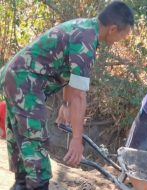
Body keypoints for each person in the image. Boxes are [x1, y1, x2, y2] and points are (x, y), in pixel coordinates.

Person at [0, 1, 134, 189]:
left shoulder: (84, 28)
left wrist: (65, 104)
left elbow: (70, 77)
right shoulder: (86, 41)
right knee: (35, 147)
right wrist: (77, 140)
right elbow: (79, 94)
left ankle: (21, 184)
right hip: (25, 83)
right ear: (113, 29)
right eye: (123, 35)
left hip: (16, 77)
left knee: (23, 146)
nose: (121, 40)